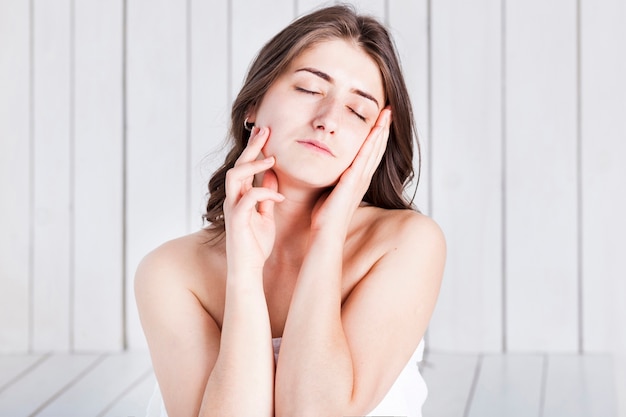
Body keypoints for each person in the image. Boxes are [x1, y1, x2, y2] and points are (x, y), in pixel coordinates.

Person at [135, 4, 445, 417]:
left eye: (358, 111)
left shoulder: (405, 244)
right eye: (309, 89)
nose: (328, 120)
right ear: (253, 105)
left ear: (376, 140)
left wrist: (328, 235)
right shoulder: (170, 270)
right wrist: (243, 274)